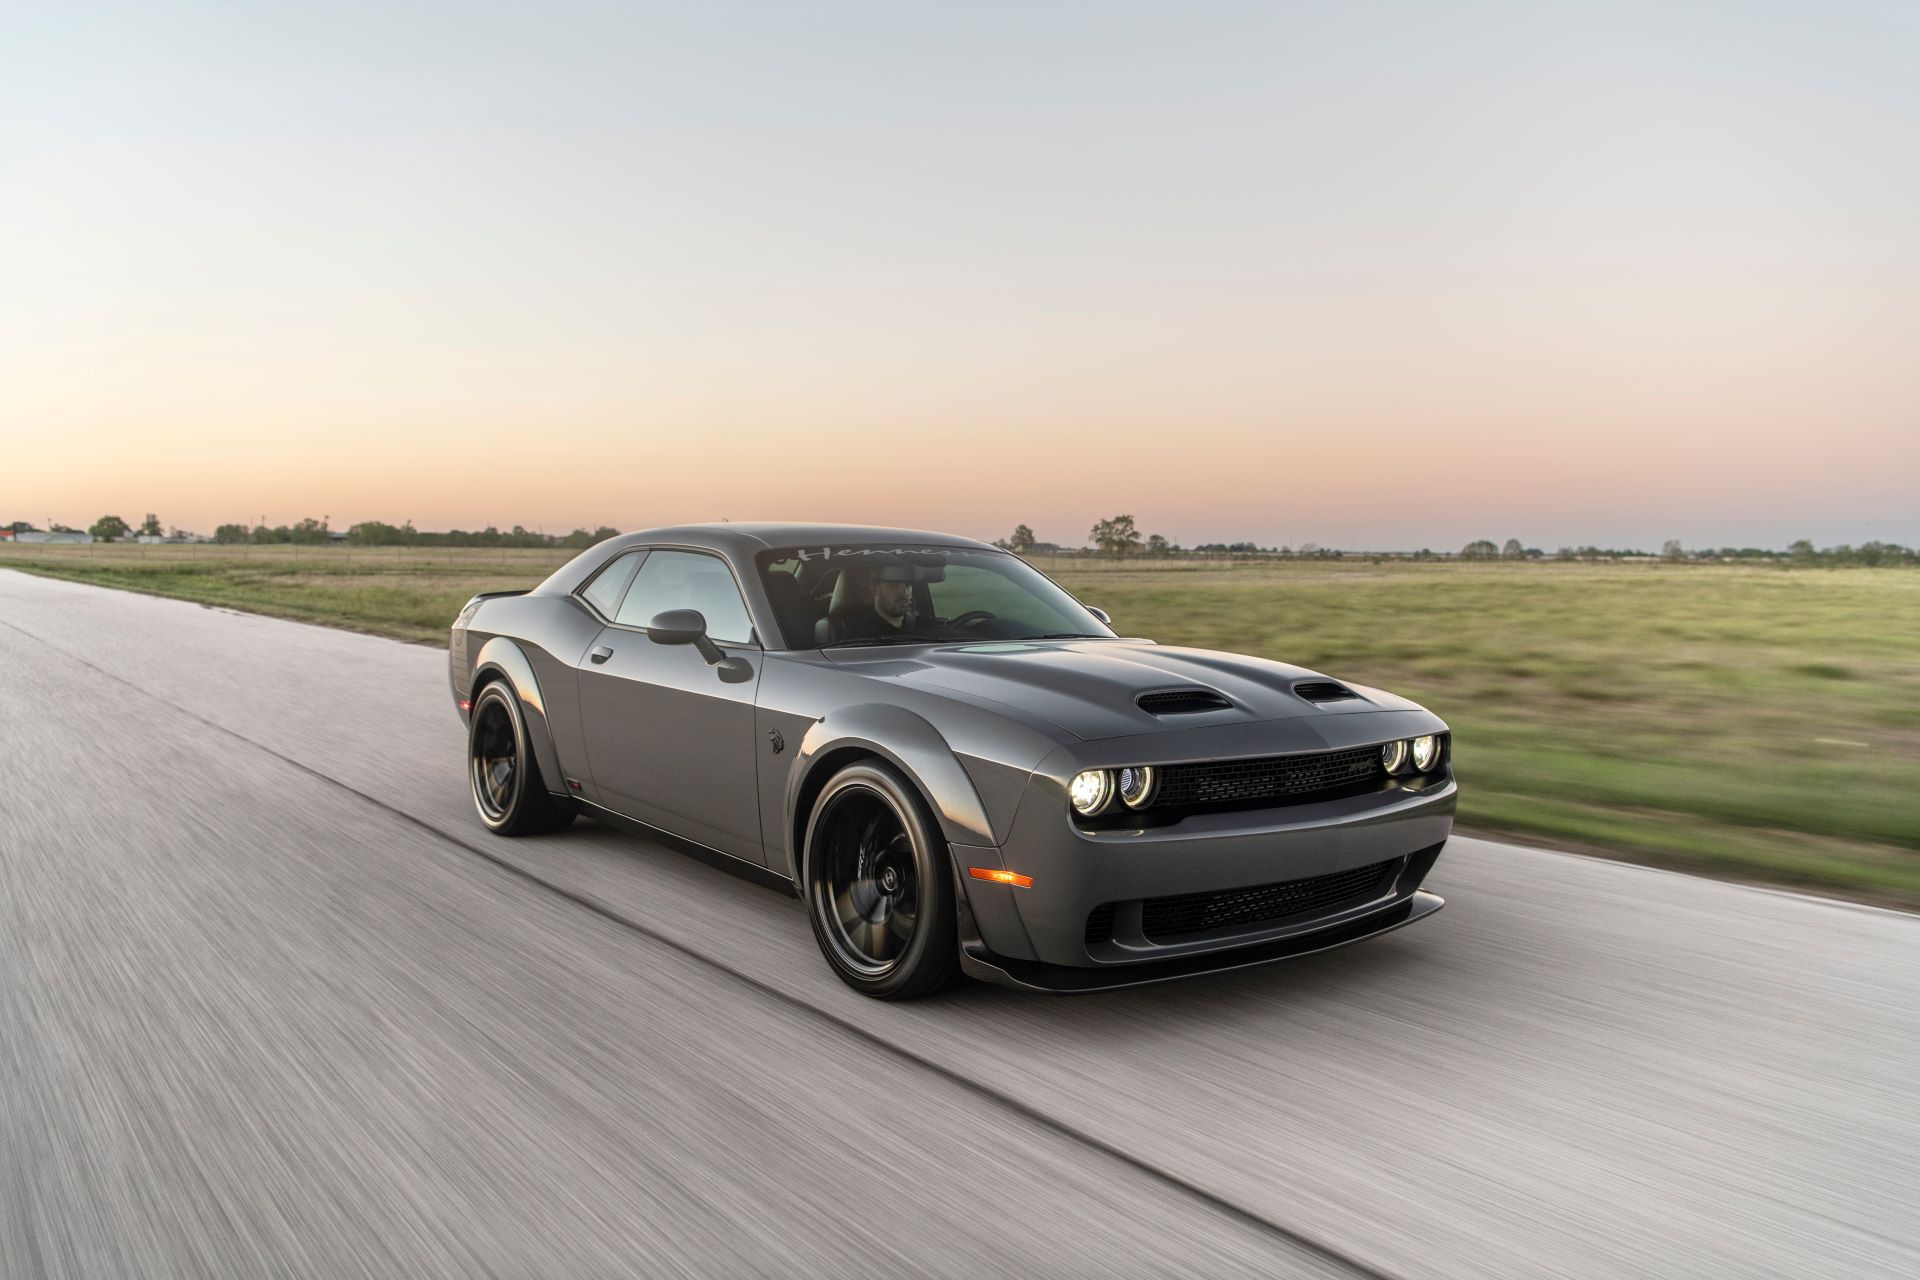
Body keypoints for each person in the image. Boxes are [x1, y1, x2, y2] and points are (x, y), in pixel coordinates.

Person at [835, 564, 921, 640]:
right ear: (874, 590)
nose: (904, 593)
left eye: (907, 585)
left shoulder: (926, 627)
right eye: (893, 585)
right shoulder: (857, 635)